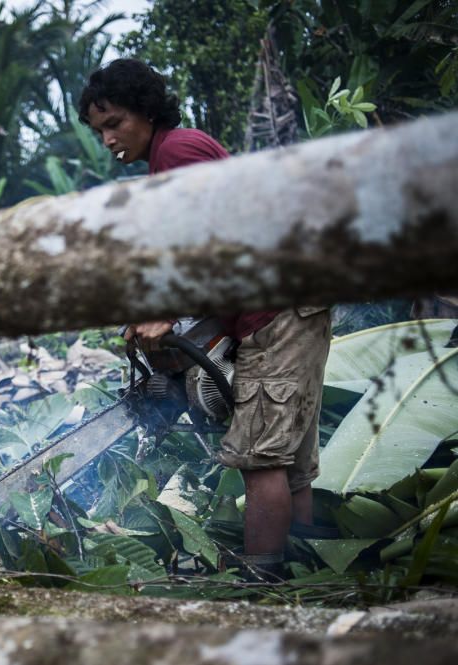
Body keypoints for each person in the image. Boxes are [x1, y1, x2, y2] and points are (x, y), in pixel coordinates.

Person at [78, 59, 332, 573]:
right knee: (291, 463)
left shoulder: (178, 149)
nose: (107, 140)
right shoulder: (166, 159)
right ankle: (311, 563)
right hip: (288, 304)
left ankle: (261, 578)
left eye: (113, 123)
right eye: (98, 130)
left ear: (145, 111)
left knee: (259, 459)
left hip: (276, 311)